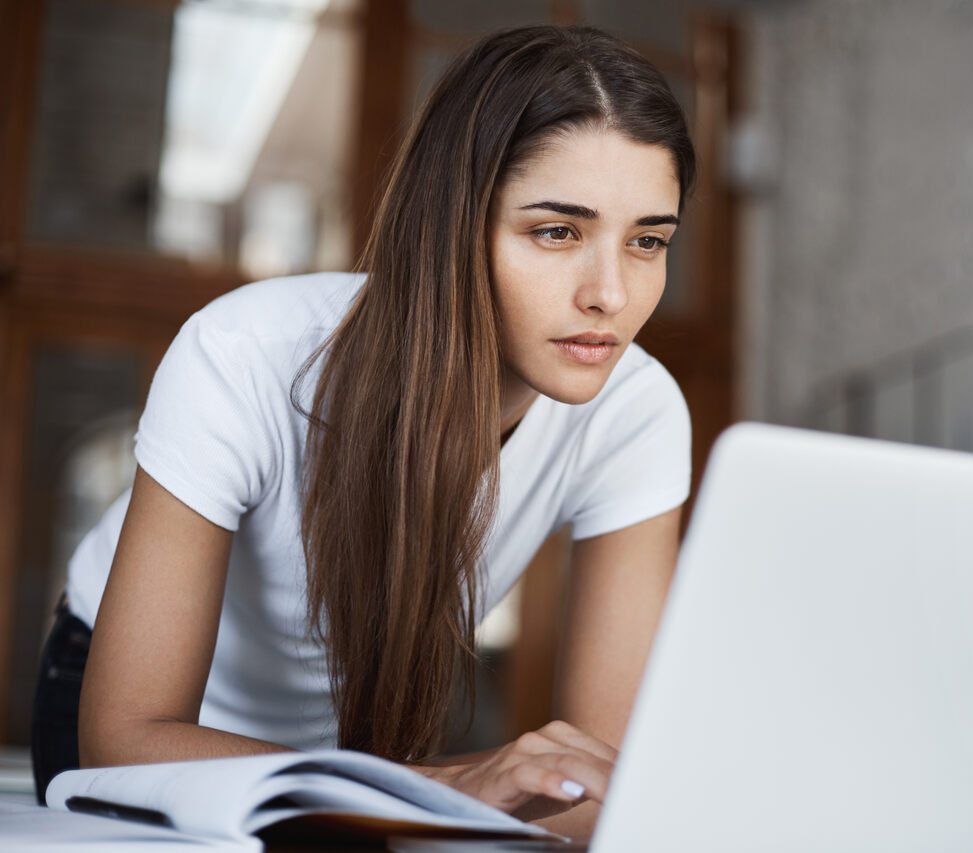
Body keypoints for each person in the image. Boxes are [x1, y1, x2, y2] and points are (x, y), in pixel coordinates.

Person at [30, 24, 696, 838]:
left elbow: (596, 784)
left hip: (347, 749)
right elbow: (126, 739)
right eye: (556, 231)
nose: (610, 294)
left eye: (648, 241)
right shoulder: (243, 354)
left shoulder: (638, 412)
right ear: (452, 227)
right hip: (152, 730)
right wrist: (446, 784)